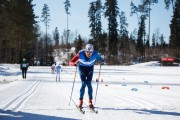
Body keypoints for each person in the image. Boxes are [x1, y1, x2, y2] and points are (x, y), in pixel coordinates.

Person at [69, 44, 104, 109]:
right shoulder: (80, 53)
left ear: (93, 52)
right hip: (82, 68)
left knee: (89, 84)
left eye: (90, 52)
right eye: (87, 52)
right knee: (84, 83)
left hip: (90, 69)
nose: (89, 54)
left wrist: (102, 62)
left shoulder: (95, 54)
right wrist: (74, 64)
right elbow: (71, 62)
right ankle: (81, 101)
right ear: (85, 51)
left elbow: (102, 60)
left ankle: (90, 102)